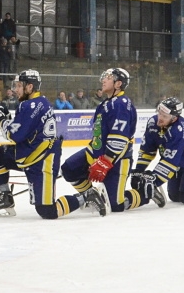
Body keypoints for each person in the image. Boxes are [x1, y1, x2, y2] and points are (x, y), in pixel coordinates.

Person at [0, 70, 76, 219]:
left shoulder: (33, 105)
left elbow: (15, 135)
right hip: (30, 153)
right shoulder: (34, 103)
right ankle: (6, 197)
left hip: (43, 160)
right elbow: (23, 129)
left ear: (30, 87)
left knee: (47, 210)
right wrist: (6, 118)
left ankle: (87, 196)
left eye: (19, 86)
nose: (15, 89)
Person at [60, 67, 142, 215]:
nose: (103, 80)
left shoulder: (121, 104)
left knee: (116, 205)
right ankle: (92, 196)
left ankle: (146, 194)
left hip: (117, 159)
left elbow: (119, 138)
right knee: (69, 169)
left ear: (118, 84)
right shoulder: (105, 104)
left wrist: (105, 162)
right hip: (97, 153)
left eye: (109, 78)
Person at [131, 96, 184, 206]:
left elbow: (170, 162)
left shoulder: (179, 130)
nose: (159, 118)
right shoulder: (153, 122)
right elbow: (148, 150)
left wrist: (154, 181)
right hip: (179, 160)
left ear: (174, 118)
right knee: (175, 196)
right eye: (159, 113)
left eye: (164, 116)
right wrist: (139, 170)